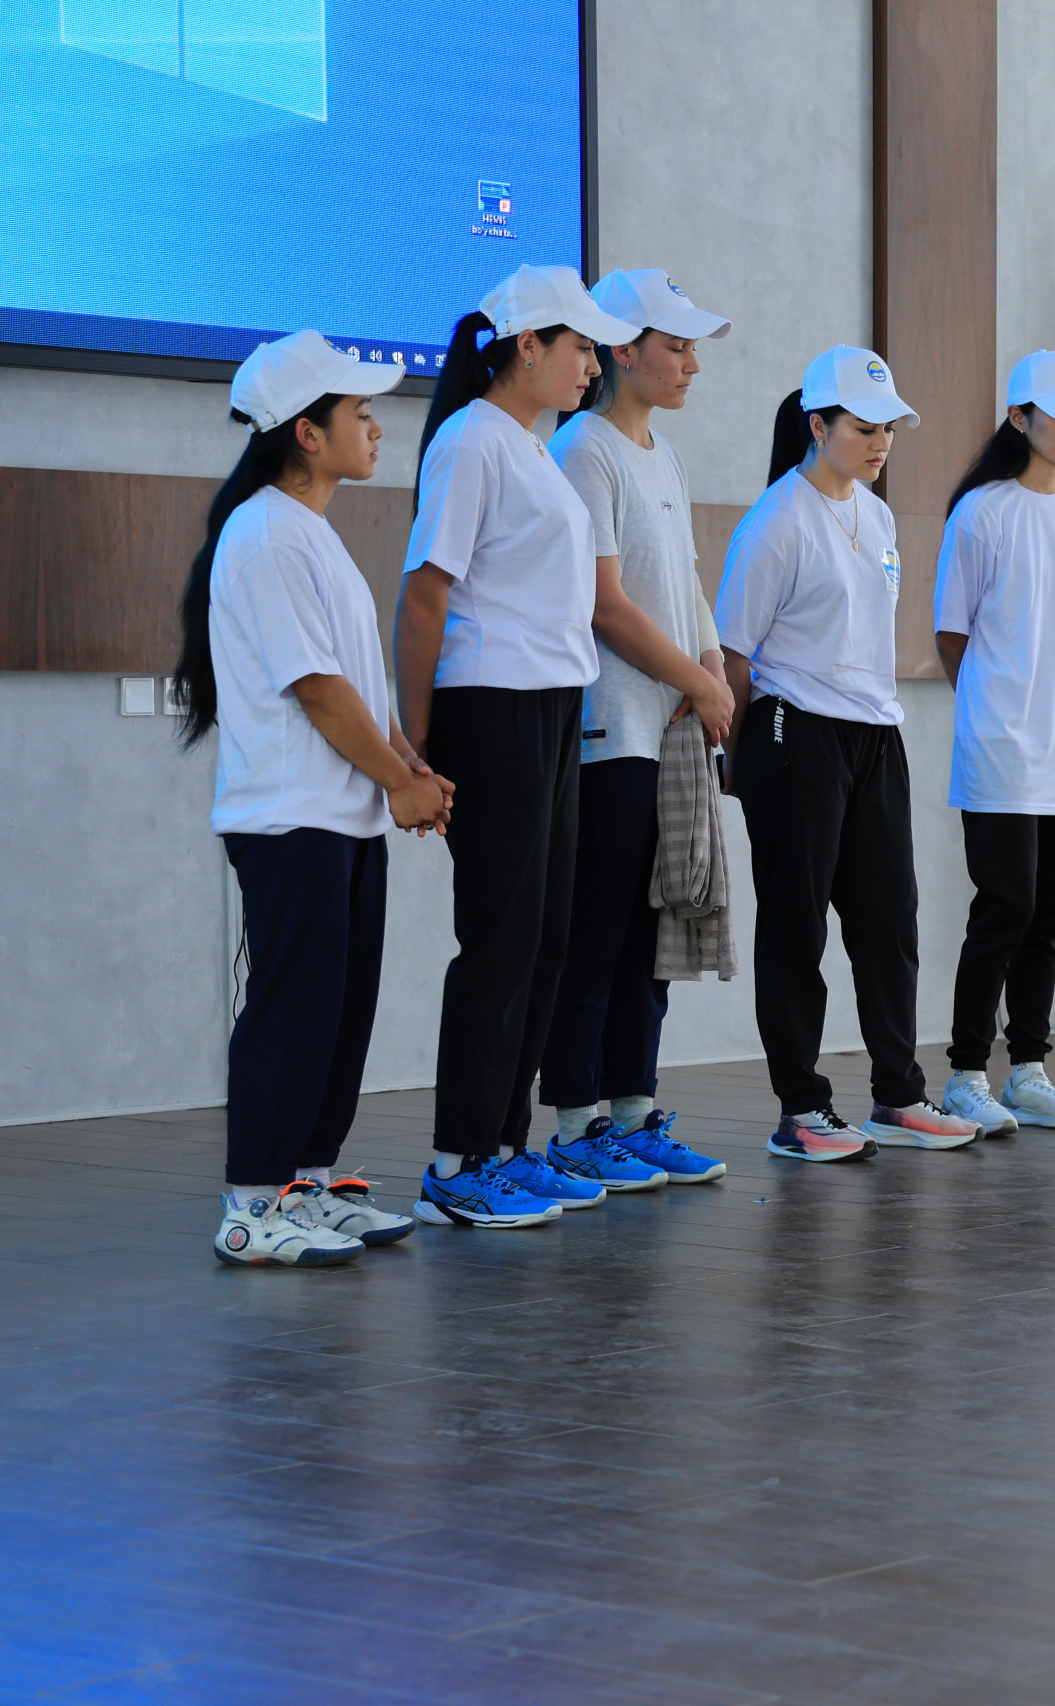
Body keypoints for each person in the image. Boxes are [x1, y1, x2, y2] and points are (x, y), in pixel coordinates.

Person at [174, 330, 451, 1266]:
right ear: (304, 432)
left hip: (343, 818)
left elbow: (352, 688)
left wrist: (406, 769)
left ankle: (310, 1184)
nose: (376, 427)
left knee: (339, 1012)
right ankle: (251, 1205)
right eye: (359, 413)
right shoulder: (263, 533)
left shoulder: (311, 533)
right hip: (290, 819)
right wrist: (400, 781)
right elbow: (315, 690)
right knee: (291, 1011)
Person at [396, 264, 643, 1227]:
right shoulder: (471, 442)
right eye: (579, 345)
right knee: (499, 938)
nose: (593, 363)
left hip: (548, 705)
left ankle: (504, 1142)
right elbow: (427, 590)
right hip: (487, 707)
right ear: (525, 347)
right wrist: (414, 735)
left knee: (544, 936)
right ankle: (457, 1163)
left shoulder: (533, 451)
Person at [715, 347, 982, 1160]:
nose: (880, 443)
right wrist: (740, 760)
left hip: (875, 735)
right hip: (795, 731)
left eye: (889, 429)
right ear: (818, 425)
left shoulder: (878, 514)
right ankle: (801, 1108)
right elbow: (732, 655)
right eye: (864, 429)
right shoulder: (775, 521)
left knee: (886, 922)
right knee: (796, 926)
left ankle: (898, 1096)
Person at [534, 269, 737, 1192]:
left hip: (672, 730)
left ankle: (631, 1111)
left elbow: (682, 585)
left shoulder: (662, 453)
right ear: (623, 350)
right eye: (675, 345)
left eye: (694, 347)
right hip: (612, 729)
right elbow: (604, 606)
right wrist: (694, 675)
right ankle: (575, 1126)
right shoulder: (585, 448)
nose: (691, 362)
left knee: (650, 935)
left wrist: (711, 675)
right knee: (600, 931)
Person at [932, 350, 1055, 1136]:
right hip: (1004, 749)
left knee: (1047, 916)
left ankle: (1029, 1071)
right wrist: (994, 711)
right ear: (1018, 418)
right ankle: (968, 1073)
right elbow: (951, 636)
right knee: (1002, 910)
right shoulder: (981, 512)